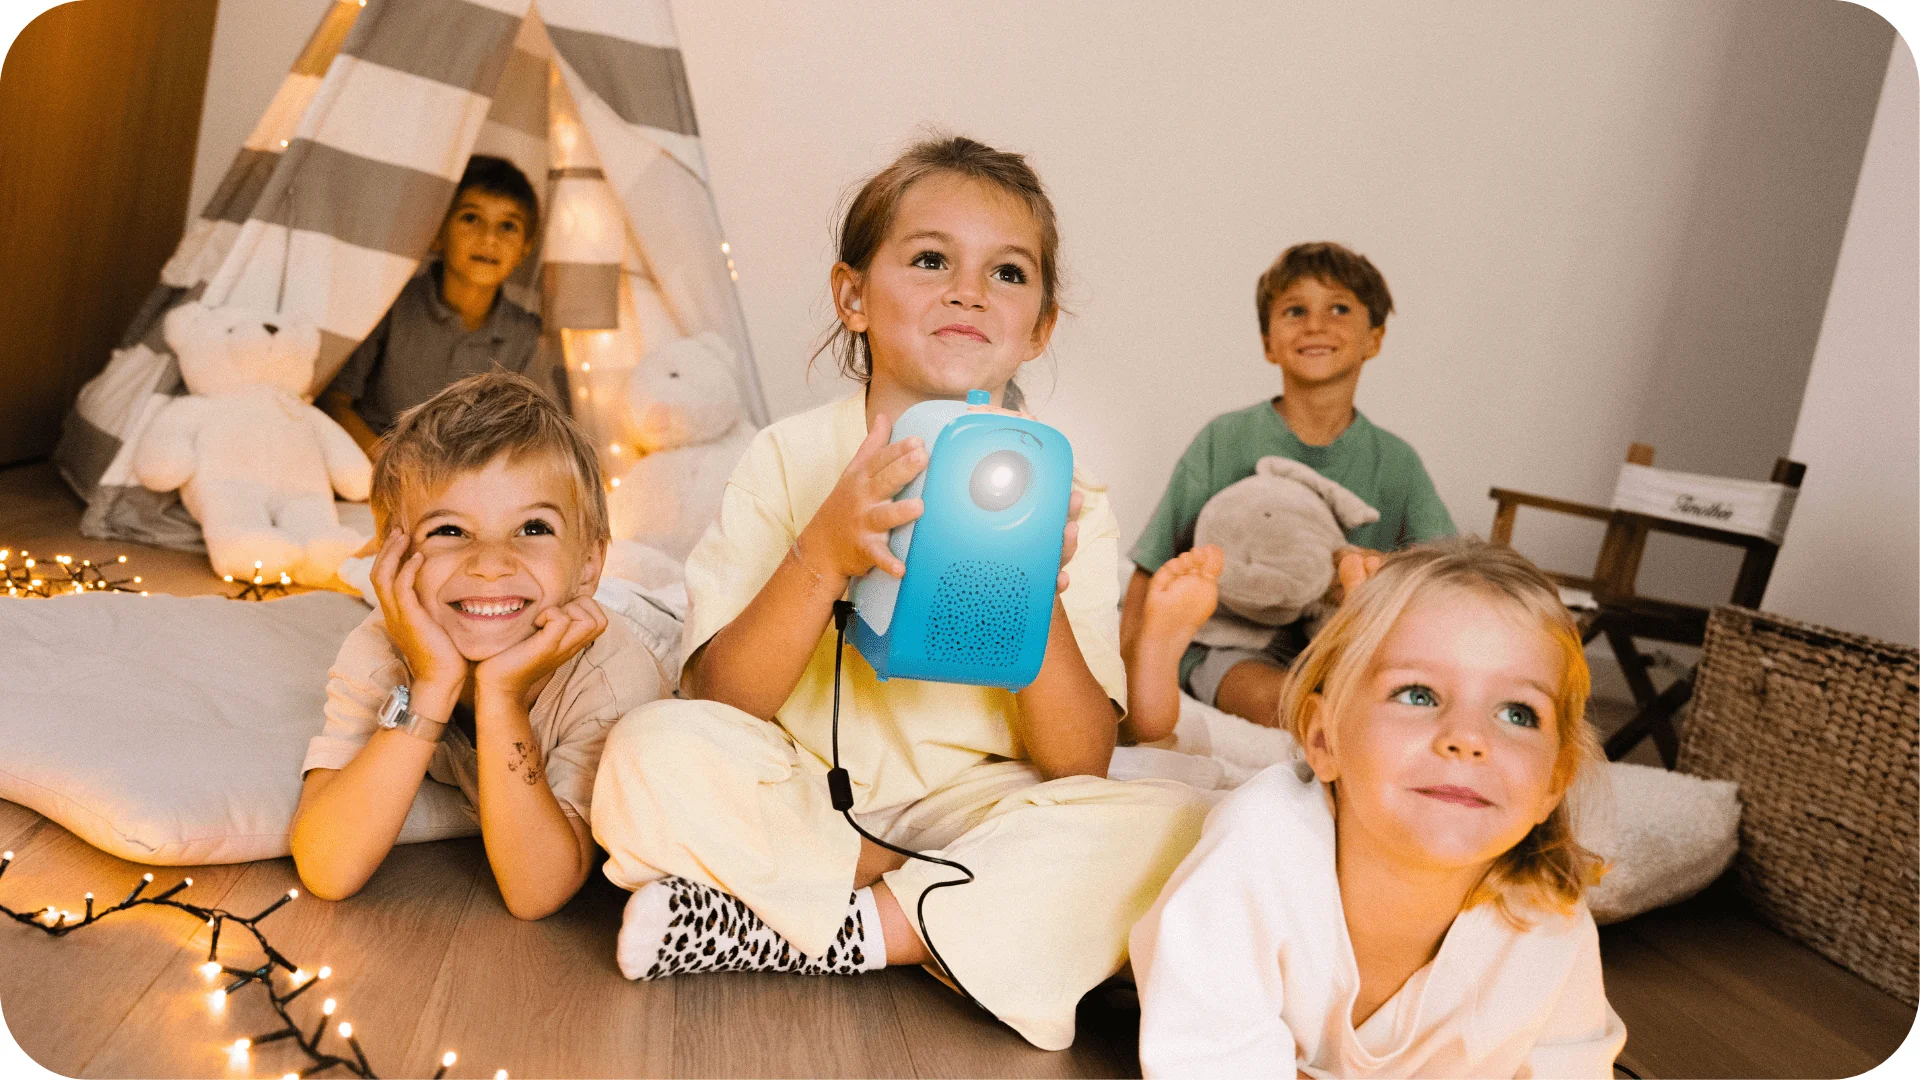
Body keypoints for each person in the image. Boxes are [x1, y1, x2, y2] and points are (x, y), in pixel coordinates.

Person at [588, 135, 1207, 1051]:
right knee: (648, 750)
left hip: (982, 803)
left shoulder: (1068, 497)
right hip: (799, 783)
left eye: (1007, 273)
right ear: (853, 297)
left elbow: (1080, 762)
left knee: (1185, 827)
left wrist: (1031, 600)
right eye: (930, 260)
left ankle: (845, 929)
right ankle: (932, 907)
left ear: (1040, 326)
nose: (969, 292)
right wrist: (824, 554)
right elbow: (718, 697)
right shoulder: (788, 459)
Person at [1130, 539, 1626, 1077]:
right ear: (1324, 741)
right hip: (1150, 911)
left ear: (1555, 780)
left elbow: (1572, 1067)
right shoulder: (1260, 849)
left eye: (1518, 713)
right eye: (1418, 694)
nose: (1468, 738)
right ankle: (1153, 667)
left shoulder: (1547, 921)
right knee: (1152, 772)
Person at [290, 372, 666, 920]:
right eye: (449, 531)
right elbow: (328, 867)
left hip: (649, 617)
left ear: (588, 565)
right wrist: (433, 686)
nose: (490, 562)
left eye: (533, 528)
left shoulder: (613, 678)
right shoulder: (381, 648)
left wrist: (501, 698)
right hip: (528, 605)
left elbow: (536, 890)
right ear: (394, 558)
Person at [1122, 242, 1456, 741]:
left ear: (1375, 338)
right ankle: (1330, 720)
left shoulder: (1396, 462)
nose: (1316, 325)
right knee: (1274, 698)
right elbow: (1152, 566)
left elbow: (1444, 574)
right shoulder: (1225, 438)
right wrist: (1131, 665)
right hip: (1233, 645)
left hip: (1340, 643)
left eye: (1339, 309)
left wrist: (1372, 579)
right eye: (1295, 311)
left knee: (1384, 676)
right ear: (1268, 343)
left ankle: (1352, 696)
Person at [320, 156, 557, 455]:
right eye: (471, 218)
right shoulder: (391, 303)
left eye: (508, 226)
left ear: (525, 247)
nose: (488, 238)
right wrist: (384, 458)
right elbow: (335, 399)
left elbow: (529, 437)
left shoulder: (527, 336)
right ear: (437, 234)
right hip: (372, 466)